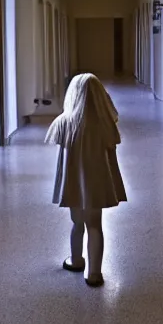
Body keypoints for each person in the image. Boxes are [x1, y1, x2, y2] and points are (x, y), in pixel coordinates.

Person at [44, 73, 126, 287]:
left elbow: (62, 155)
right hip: (96, 185)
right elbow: (111, 153)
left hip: (73, 185)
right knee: (95, 226)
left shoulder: (64, 123)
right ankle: (95, 273)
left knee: (77, 223)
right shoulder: (105, 124)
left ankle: (77, 260)